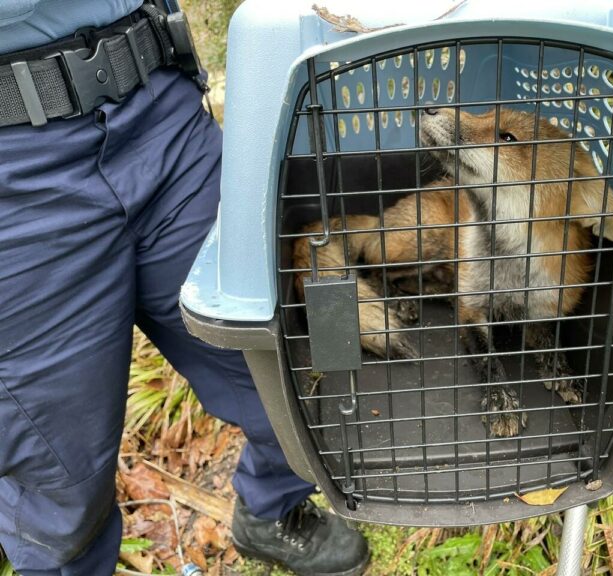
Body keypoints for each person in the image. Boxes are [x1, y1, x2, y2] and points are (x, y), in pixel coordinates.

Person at [0, 1, 368, 574]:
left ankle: (271, 511)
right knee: (62, 487)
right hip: (15, 184)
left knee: (313, 357)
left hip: (159, 104)